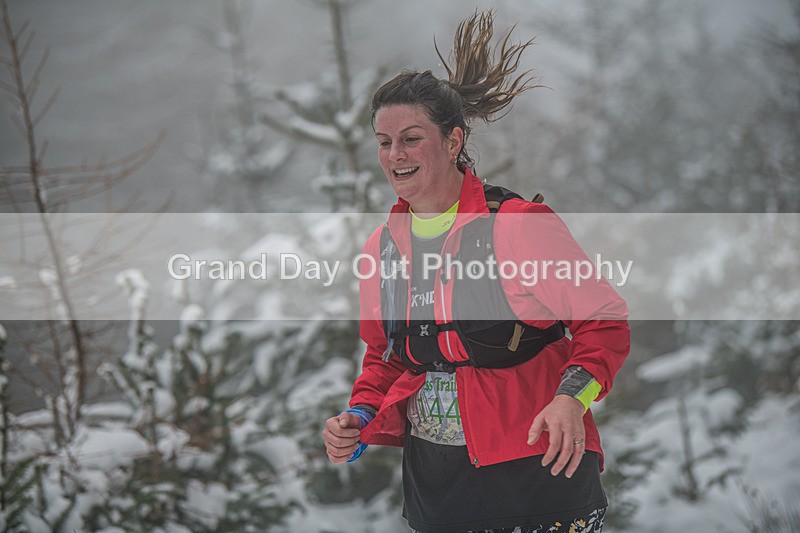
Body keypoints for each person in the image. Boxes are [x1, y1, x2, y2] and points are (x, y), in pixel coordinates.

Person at [322, 10, 629, 533]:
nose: (395, 154)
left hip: (539, 485)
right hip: (437, 500)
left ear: (453, 141)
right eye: (384, 141)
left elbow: (603, 320)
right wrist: (360, 416)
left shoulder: (518, 227)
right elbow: (387, 356)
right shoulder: (384, 250)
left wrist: (569, 398)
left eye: (412, 138)